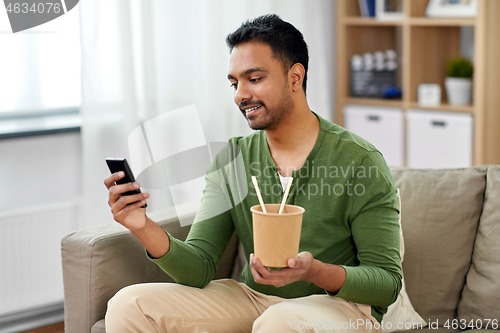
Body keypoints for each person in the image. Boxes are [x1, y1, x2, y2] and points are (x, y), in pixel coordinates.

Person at [104, 14, 402, 333]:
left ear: (295, 77)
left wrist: (313, 271)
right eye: (234, 83)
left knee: (279, 322)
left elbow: (386, 283)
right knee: (128, 304)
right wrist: (142, 226)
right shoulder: (234, 157)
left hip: (339, 307)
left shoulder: (360, 160)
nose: (239, 95)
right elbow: (199, 267)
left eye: (254, 79)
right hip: (253, 299)